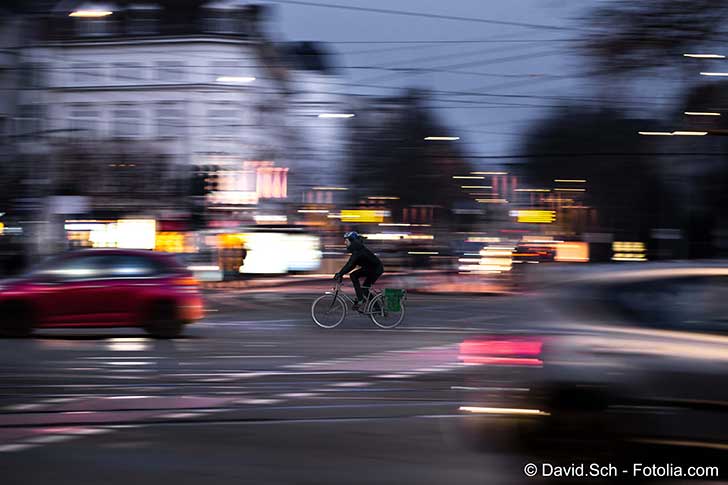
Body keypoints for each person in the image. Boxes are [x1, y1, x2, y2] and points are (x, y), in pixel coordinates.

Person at [334, 231, 384, 310]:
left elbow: (350, 264)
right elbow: (352, 265)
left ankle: (361, 299)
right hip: (370, 269)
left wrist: (340, 274)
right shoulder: (357, 250)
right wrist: (341, 273)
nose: (344, 242)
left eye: (346, 241)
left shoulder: (358, 251)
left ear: (352, 241)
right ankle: (377, 308)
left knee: (354, 276)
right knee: (364, 288)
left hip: (375, 270)